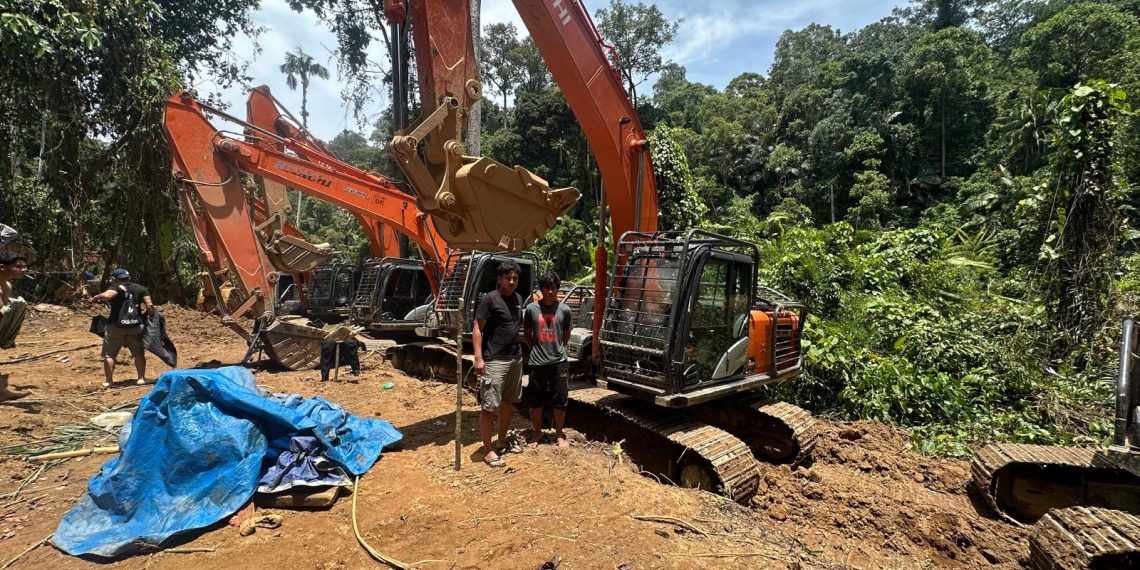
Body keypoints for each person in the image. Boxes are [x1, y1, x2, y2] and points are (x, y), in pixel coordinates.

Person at [472, 259, 524, 468]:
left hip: (514, 358)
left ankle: (501, 441)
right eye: (508, 278)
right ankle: (487, 450)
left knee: (507, 402)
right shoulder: (489, 300)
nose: (512, 281)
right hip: (494, 360)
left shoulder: (518, 299)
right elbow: (478, 328)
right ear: (500, 279)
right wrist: (478, 358)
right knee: (489, 406)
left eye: (515, 278)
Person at [523, 271, 574, 448]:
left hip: (559, 362)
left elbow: (566, 336)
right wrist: (536, 349)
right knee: (535, 400)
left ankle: (559, 434)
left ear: (557, 289)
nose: (550, 292)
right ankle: (537, 433)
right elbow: (528, 334)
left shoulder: (565, 310)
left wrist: (556, 349)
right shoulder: (531, 309)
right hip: (537, 362)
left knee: (560, 400)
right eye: (547, 288)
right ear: (541, 289)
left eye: (553, 288)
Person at [90, 268, 153, 388]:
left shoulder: (115, 287)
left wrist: (97, 297)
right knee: (139, 353)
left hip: (115, 327)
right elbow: (149, 305)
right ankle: (141, 378)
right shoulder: (140, 288)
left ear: (114, 278)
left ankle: (109, 381)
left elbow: (108, 295)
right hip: (135, 326)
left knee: (110, 355)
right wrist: (149, 318)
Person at [0, 250, 30, 402]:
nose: (24, 270)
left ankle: (2, 393)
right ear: (2, 267)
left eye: (25, 266)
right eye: (19, 266)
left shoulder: (6, 287)